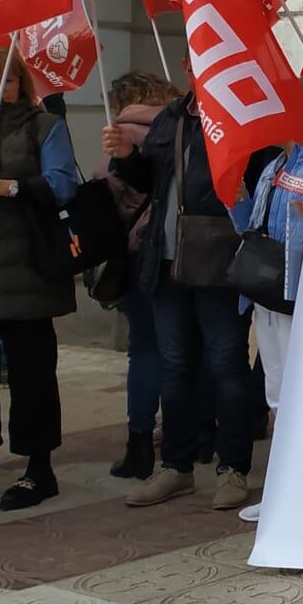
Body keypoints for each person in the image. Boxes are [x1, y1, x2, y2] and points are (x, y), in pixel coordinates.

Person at [103, 80, 262, 510]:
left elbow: (260, 176)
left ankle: (233, 467)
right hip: (166, 259)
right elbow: (150, 181)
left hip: (220, 260)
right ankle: (176, 467)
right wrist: (126, 157)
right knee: (174, 367)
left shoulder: (242, 113)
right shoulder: (170, 117)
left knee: (227, 366)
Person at [0, 51, 80, 510]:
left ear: (20, 86)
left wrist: (8, 186)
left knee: (31, 376)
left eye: (6, 80)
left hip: (25, 271)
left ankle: (38, 469)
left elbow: (65, 184)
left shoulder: (42, 126)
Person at [232, 79, 303, 523]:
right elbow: (253, 224)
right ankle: (283, 488)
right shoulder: (275, 163)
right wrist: (236, 200)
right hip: (267, 294)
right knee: (277, 394)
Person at [100, 71, 181, 481]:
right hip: (179, 250)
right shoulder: (182, 124)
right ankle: (186, 436)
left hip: (136, 256)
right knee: (181, 352)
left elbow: (110, 192)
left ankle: (139, 443)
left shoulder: (122, 131)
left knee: (145, 351)